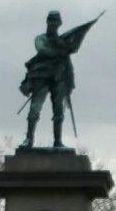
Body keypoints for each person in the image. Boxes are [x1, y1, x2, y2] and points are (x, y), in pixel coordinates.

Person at [18, 10, 101, 148]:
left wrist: (68, 43)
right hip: (42, 75)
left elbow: (73, 48)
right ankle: (29, 139)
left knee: (58, 110)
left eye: (55, 20)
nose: (53, 23)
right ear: (47, 21)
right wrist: (58, 52)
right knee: (35, 108)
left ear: (59, 23)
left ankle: (58, 141)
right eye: (51, 20)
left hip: (58, 76)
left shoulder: (63, 41)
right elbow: (42, 49)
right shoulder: (41, 38)